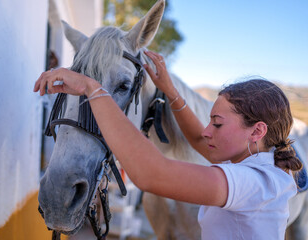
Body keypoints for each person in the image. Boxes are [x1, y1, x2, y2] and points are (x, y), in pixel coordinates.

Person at [33, 51, 302, 239]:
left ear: (257, 131)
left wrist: (93, 90)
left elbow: (151, 175)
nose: (207, 132)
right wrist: (170, 91)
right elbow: (197, 139)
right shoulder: (256, 165)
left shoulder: (253, 182)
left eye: (217, 124)